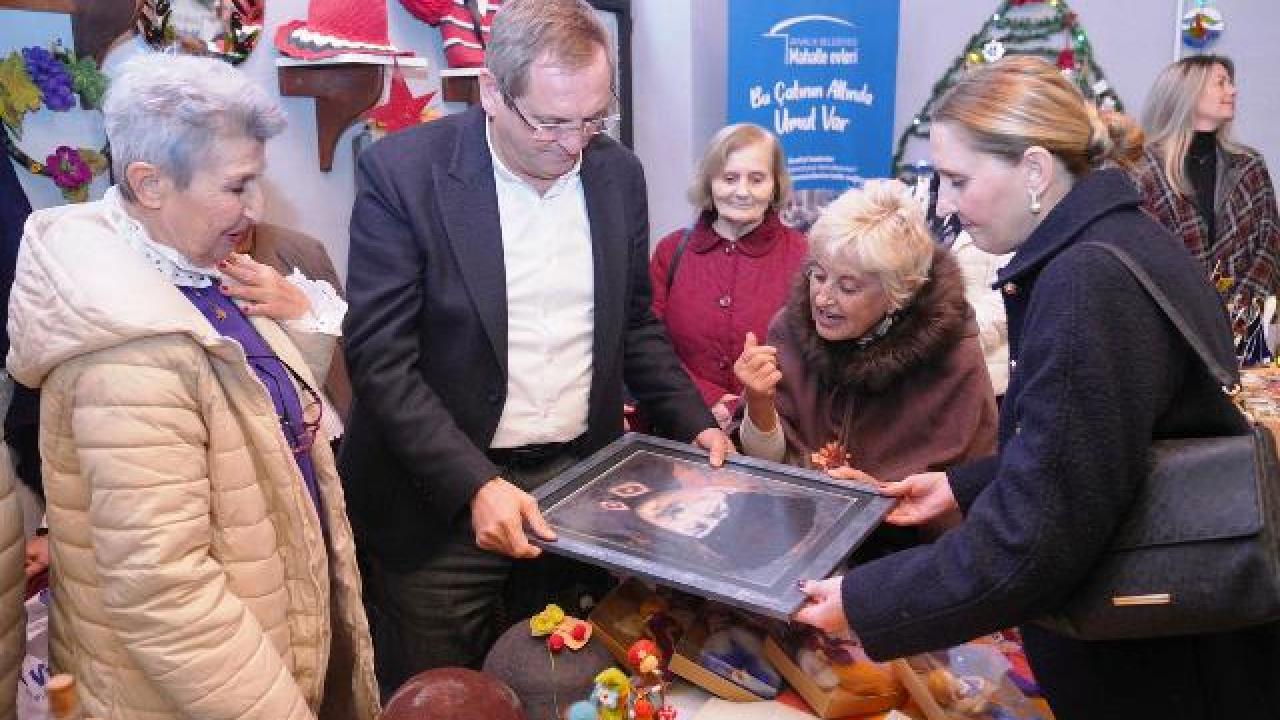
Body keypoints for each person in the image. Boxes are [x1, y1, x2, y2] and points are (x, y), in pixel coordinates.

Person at [793, 56, 1280, 719]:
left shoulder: (1086, 284)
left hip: (1158, 665)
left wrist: (865, 601)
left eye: (958, 180)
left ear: (1033, 170)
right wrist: (963, 487)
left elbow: (1038, 536)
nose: (951, 208)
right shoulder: (1122, 239)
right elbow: (1095, 447)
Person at [340, 0, 732, 686]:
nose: (574, 143)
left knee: (567, 683)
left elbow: (633, 324)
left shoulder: (617, 175)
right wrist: (475, 484)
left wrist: (693, 422)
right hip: (438, 503)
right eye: (550, 121)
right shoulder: (405, 174)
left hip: (577, 482)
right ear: (491, 91)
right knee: (443, 690)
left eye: (593, 118)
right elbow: (381, 359)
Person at [5, 54, 379, 719]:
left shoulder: (193, 269)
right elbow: (165, 592)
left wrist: (303, 322)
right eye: (238, 187)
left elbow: (260, 436)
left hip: (264, 638)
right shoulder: (126, 356)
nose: (256, 208)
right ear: (150, 184)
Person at [735, 179, 997, 486]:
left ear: (900, 291)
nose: (822, 299)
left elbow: (969, 494)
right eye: (818, 275)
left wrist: (883, 497)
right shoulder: (790, 330)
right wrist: (759, 404)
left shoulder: (952, 357)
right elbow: (768, 469)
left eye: (848, 287)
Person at [649, 123, 808, 429]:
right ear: (710, 183)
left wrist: (746, 406)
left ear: (776, 185)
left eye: (757, 179)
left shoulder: (805, 257)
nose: (742, 192)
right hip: (681, 427)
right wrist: (707, 399)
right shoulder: (671, 252)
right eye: (729, 178)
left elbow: (812, 356)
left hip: (774, 433)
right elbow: (650, 346)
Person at [1131, 55, 1280, 328]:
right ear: (1188, 92)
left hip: (1244, 331)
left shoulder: (1249, 166)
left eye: (1230, 83)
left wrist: (1236, 316)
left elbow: (1269, 245)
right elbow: (1140, 254)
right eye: (1221, 83)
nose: (1232, 91)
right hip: (1168, 329)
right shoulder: (1145, 169)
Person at [236, 222, 353, 427]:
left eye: (245, 190)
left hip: (337, 426)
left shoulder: (301, 250)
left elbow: (348, 348)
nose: (245, 211)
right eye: (232, 190)